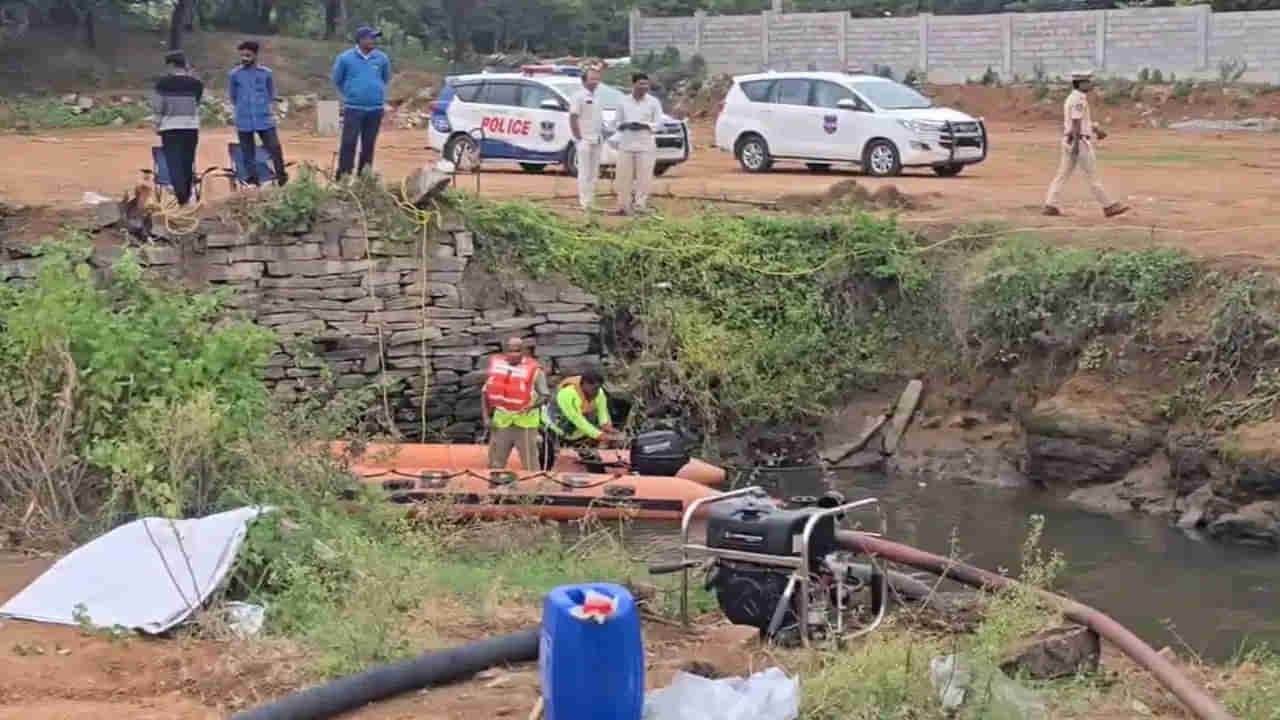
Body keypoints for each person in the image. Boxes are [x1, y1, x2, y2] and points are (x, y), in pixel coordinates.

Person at [1043, 71, 1128, 218]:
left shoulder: (1073, 98)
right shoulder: (1078, 100)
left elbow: (1080, 121)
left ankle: (1050, 205)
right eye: (1087, 82)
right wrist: (1077, 144)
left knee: (1062, 175)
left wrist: (1095, 129)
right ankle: (1109, 206)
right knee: (1092, 176)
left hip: (1070, 139)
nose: (1090, 84)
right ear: (1080, 84)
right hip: (1079, 141)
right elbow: (1076, 121)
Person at [332, 26, 392, 180]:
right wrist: (351, 93)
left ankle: (364, 178)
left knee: (369, 144)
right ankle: (343, 176)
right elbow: (337, 79)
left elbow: (385, 78)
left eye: (375, 38)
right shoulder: (345, 58)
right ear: (360, 40)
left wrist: (375, 92)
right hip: (354, 108)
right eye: (371, 38)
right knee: (348, 143)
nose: (374, 41)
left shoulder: (382, 58)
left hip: (375, 109)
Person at [229, 40, 288, 187]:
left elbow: (271, 93)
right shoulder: (235, 75)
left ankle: (281, 177)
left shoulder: (266, 73)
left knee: (274, 148)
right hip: (244, 119)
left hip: (264, 118)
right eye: (242, 55)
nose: (244, 59)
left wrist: (264, 105)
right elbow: (233, 97)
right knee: (247, 152)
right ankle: (253, 181)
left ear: (255, 55)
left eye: (248, 55)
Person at [482, 336, 547, 471]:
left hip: (526, 424)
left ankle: (533, 484)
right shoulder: (497, 369)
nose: (513, 354)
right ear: (505, 352)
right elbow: (485, 392)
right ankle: (495, 484)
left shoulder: (535, 371)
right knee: (495, 464)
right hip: (501, 422)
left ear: (523, 352)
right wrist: (486, 417)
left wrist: (532, 406)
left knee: (531, 466)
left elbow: (545, 395)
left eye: (517, 351)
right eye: (510, 351)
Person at [150, 51, 203, 206]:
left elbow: (158, 107)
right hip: (191, 128)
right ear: (184, 64)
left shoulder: (162, 84)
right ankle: (186, 196)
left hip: (170, 128)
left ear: (171, 65)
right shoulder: (196, 84)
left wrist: (157, 124)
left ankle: (182, 198)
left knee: (174, 163)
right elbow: (196, 102)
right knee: (187, 162)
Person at [543, 369, 622, 465]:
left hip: (578, 428)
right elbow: (577, 419)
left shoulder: (599, 392)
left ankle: (586, 452)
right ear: (584, 384)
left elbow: (603, 413)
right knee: (549, 458)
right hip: (555, 425)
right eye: (593, 389)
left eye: (598, 388)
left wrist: (608, 428)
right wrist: (600, 436)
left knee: (593, 420)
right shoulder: (566, 394)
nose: (595, 392)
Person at [613, 73, 664, 216]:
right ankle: (623, 206)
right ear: (633, 84)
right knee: (623, 177)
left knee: (644, 177)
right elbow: (616, 122)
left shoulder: (653, 102)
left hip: (645, 144)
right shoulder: (623, 101)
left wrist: (645, 125)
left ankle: (640, 206)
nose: (644, 87)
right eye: (641, 84)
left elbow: (659, 123)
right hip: (626, 143)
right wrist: (624, 125)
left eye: (646, 84)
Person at [570, 67, 605, 212]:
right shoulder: (578, 96)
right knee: (584, 172)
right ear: (584, 81)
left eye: (597, 79)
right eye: (592, 79)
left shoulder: (597, 97)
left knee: (594, 173)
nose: (595, 81)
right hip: (584, 139)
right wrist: (579, 138)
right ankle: (584, 203)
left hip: (597, 139)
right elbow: (573, 118)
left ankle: (590, 201)